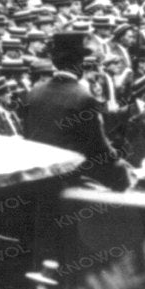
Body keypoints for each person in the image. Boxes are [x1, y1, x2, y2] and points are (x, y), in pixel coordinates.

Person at [20, 33, 129, 190]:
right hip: (68, 180)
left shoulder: (34, 92)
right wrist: (122, 170)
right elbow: (98, 149)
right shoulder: (83, 97)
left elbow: (28, 136)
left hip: (35, 177)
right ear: (79, 63)